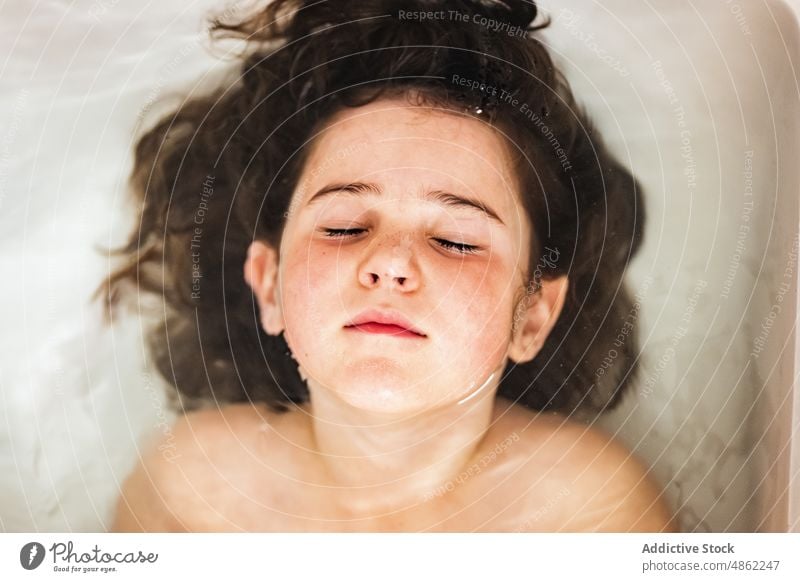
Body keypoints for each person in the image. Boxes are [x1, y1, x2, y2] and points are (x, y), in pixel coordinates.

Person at [102, 0, 676, 531]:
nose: (390, 264)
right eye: (344, 227)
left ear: (531, 316)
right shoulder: (190, 486)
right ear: (269, 285)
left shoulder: (586, 510)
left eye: (455, 240)